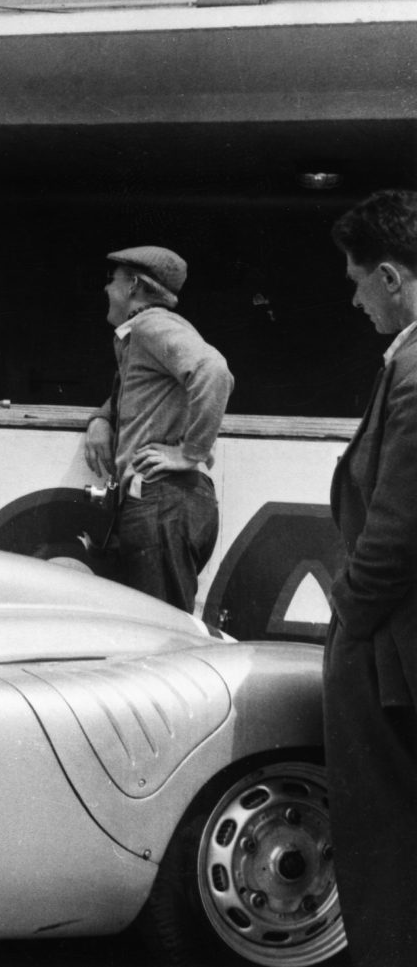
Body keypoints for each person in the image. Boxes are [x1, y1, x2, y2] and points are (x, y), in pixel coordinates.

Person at [322, 190, 417, 966]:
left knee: (385, 847)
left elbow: (397, 527)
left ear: (390, 276)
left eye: (358, 283)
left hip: (390, 653)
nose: (355, 302)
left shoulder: (415, 369)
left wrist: (349, 611)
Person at [81, 246, 233, 612]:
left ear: (133, 285)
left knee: (161, 633)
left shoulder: (151, 325)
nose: (106, 288)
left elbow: (214, 371)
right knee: (155, 626)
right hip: (168, 504)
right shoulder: (146, 333)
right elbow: (137, 391)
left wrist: (190, 452)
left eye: (112, 280)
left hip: (162, 502)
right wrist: (101, 419)